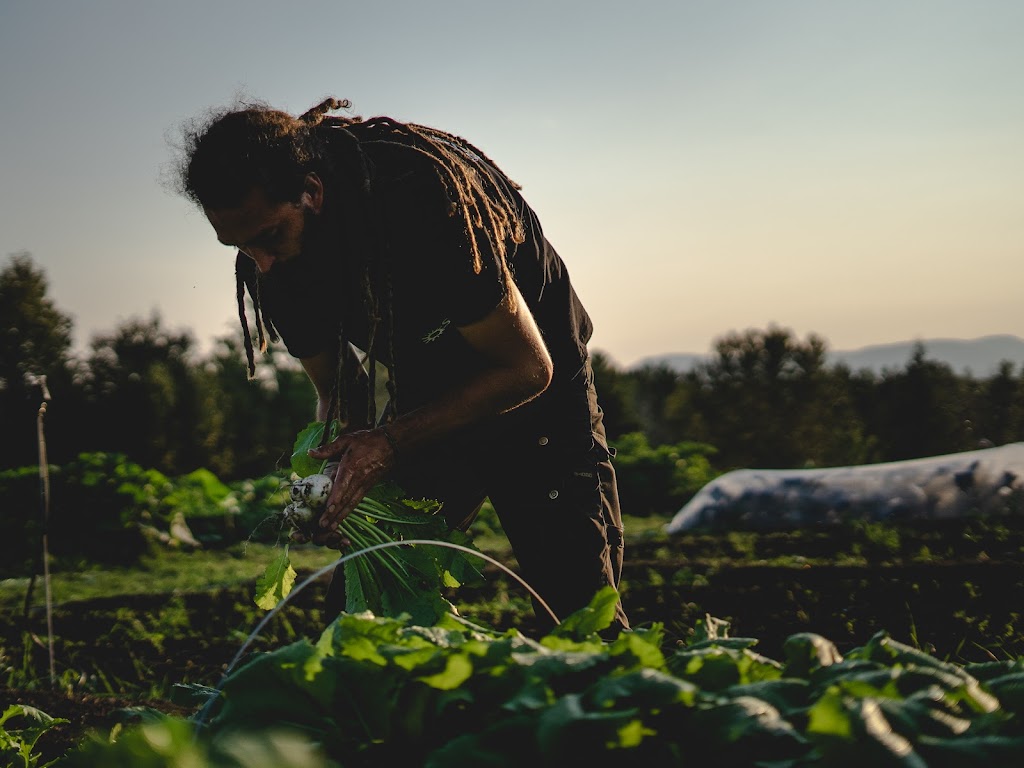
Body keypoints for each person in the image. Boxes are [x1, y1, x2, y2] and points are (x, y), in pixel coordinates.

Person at [177, 97, 628, 633]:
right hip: (430, 383)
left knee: (575, 605)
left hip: (536, 378)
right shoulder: (270, 266)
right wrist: (332, 477)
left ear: (312, 193)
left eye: (271, 235)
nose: (261, 263)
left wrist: (389, 443)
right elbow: (341, 395)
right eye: (239, 245)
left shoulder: (420, 198)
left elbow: (527, 369)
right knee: (369, 599)